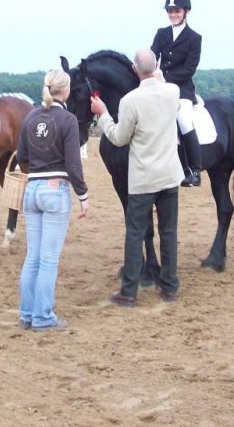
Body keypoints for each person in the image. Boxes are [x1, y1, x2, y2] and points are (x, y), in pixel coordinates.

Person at [91, 49, 183, 306]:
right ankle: (170, 287)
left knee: (135, 233)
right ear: (156, 67)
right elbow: (166, 92)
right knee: (169, 231)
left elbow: (119, 138)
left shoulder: (129, 101)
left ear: (134, 70)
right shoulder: (173, 92)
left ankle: (129, 292)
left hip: (144, 178)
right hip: (169, 175)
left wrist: (103, 114)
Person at [16, 69, 89, 331]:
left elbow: (21, 156)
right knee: (48, 259)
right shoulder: (68, 120)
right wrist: (83, 194)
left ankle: (27, 313)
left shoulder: (30, 117)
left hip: (32, 189)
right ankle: (43, 317)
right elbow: (73, 164)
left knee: (32, 257)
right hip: (55, 190)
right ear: (65, 90)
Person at [151, 0, 203, 187]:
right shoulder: (161, 33)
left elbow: (189, 69)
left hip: (182, 89)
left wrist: (164, 79)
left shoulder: (194, 38)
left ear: (185, 11)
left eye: (176, 11)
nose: (173, 14)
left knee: (184, 121)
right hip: (159, 87)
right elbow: (153, 55)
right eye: (170, 11)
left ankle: (194, 171)